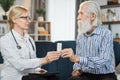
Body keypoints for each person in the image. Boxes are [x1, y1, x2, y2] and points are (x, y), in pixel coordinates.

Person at [61, 1, 117, 80]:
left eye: (81, 13)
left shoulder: (106, 34)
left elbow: (102, 60)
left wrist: (78, 59)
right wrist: (76, 69)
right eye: (78, 13)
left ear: (93, 16)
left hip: (105, 76)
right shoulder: (80, 36)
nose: (78, 17)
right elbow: (78, 59)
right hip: (86, 75)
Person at [0, 5, 60, 80]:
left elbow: (32, 61)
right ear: (14, 19)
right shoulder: (5, 40)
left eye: (29, 17)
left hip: (29, 75)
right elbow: (19, 64)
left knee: (54, 77)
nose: (28, 20)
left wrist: (38, 70)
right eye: (24, 17)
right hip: (15, 77)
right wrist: (44, 60)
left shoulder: (29, 39)